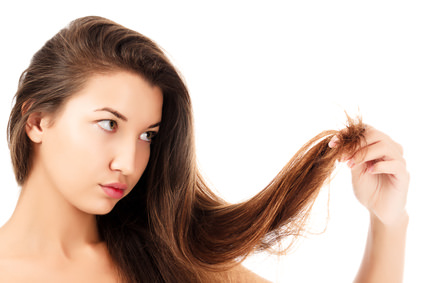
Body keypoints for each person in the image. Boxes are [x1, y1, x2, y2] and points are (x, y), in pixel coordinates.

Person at [1, 16, 409, 282]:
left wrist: (387, 222)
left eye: (148, 136)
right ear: (37, 121)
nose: (128, 162)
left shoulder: (166, 261)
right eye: (108, 124)